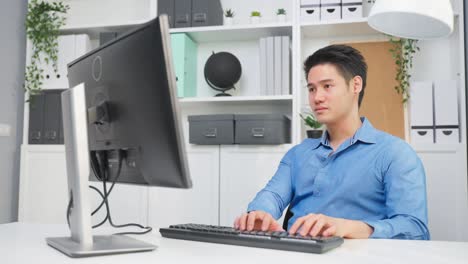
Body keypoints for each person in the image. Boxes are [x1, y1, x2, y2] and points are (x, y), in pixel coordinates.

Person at [233, 44, 430, 240]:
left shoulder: (395, 153)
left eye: (327, 86)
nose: (317, 98)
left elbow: (414, 229)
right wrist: (259, 214)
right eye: (311, 89)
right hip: (296, 254)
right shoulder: (298, 154)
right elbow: (273, 195)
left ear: (355, 85)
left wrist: (346, 228)